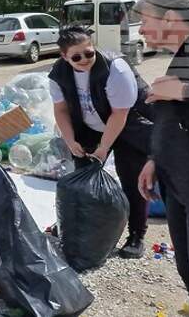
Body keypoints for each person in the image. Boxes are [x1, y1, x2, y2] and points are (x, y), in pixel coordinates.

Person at [47, 25, 154, 258]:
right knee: (83, 178)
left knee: (132, 180)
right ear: (64, 56)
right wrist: (71, 140)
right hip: (90, 126)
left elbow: (119, 114)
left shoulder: (116, 68)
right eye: (76, 57)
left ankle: (137, 235)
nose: (85, 60)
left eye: (89, 53)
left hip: (126, 126)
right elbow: (61, 110)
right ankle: (77, 226)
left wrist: (104, 148)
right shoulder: (58, 74)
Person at [135, 0, 189, 313]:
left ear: (170, 18)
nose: (141, 31)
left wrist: (183, 90)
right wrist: (153, 160)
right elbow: (173, 118)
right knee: (188, 272)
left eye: (145, 21)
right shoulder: (183, 56)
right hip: (178, 186)